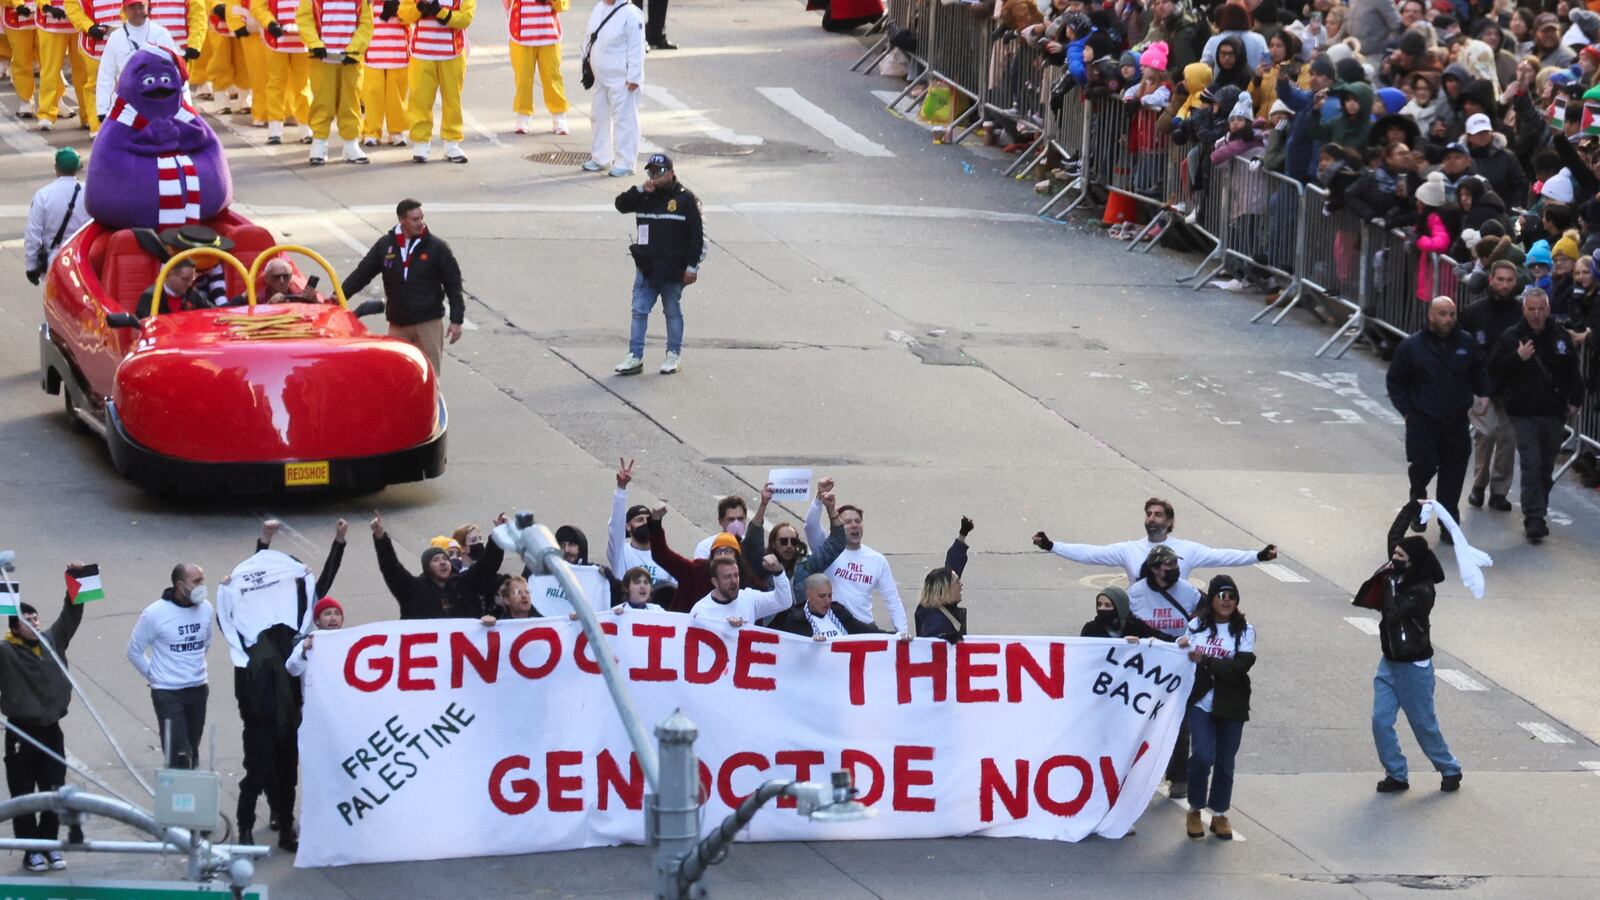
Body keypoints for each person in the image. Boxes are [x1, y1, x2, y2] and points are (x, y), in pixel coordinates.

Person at [1354, 499, 1461, 794]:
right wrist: (1412, 507)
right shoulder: (1400, 570)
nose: (1393, 558)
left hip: (1413, 668)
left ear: (1412, 562)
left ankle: (1450, 768)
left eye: (1399, 556)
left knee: (1423, 724)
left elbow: (1392, 614)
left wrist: (1389, 581)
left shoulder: (1422, 591)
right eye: (1394, 554)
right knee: (1380, 721)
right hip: (1389, 663)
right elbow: (1395, 535)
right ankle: (1397, 774)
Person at [0, 564, 88, 873]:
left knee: (55, 790)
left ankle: (49, 845)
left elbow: (71, 614)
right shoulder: (5, 652)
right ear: (14, 627)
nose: (35, 622)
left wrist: (76, 579)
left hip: (52, 730)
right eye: (27, 620)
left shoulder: (53, 639)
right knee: (23, 796)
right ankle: (31, 851)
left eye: (36, 617)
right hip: (21, 733)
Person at [1385, 297, 1490, 537]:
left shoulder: (1466, 343)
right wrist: (1407, 411)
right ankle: (1418, 504)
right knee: (1423, 467)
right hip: (1423, 421)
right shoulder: (1411, 347)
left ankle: (1448, 523)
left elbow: (1478, 371)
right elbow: (1395, 381)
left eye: (1452, 314)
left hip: (1456, 421)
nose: (1448, 319)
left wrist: (1484, 394)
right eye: (1443, 314)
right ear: (1431, 316)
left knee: (1453, 473)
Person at [1488, 289, 1585, 542]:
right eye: (1531, 309)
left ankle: (1538, 508)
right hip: (1523, 412)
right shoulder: (1511, 337)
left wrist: (1576, 400)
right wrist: (1517, 358)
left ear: (1548, 309)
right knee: (1530, 462)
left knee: (1545, 466)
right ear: (1524, 309)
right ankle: (1534, 517)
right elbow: (1494, 369)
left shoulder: (1560, 336)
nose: (1536, 314)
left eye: (1541, 309)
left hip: (1553, 412)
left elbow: (1572, 369)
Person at [341, 199, 465, 377]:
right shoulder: (386, 245)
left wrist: (456, 320)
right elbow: (362, 274)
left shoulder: (437, 247)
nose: (421, 223)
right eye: (415, 219)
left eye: (422, 217)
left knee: (429, 375)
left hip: (428, 323)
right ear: (402, 220)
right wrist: (338, 296)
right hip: (398, 324)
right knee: (396, 375)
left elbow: (453, 284)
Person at [1032, 497, 1276, 584]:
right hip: (1139, 627)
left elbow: (1223, 556)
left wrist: (1259, 556)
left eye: (1158, 515)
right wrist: (1052, 546)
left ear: (1169, 522)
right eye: (1148, 514)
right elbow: (1090, 554)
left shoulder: (1187, 549)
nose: (1151, 518)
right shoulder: (1130, 549)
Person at [612, 153, 704, 375]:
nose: (655, 176)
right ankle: (635, 356)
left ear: (671, 173)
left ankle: (673, 354)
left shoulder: (685, 199)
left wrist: (692, 267)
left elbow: (696, 237)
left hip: (673, 268)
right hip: (647, 266)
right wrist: (640, 190)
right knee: (639, 310)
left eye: (660, 171)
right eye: (651, 171)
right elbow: (621, 205)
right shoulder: (644, 195)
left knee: (671, 310)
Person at [1183, 574, 1255, 841]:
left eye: (1232, 597)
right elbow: (1183, 657)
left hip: (1231, 703)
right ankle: (1194, 809)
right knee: (1202, 755)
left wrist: (1206, 661)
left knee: (1225, 761)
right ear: (1211, 598)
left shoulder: (1245, 630)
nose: (1227, 601)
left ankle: (1219, 812)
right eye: (1221, 596)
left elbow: (1239, 667)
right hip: (1201, 702)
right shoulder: (1195, 626)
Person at [1127, 545, 1202, 797]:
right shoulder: (1136, 594)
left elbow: (1204, 617)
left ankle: (1179, 777)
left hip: (1178, 667)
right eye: (1169, 565)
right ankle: (1134, 776)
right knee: (1141, 720)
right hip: (1145, 670)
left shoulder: (1188, 591)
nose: (1174, 569)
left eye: (1175, 564)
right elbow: (1126, 626)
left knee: (1179, 721)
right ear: (1155, 569)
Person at [126, 562, 213, 769]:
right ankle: (177, 786)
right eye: (196, 582)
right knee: (178, 754)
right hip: (168, 692)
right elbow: (134, 651)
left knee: (192, 749)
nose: (201, 586)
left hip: (198, 688)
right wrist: (154, 676)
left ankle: (190, 785)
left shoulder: (206, 608)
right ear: (180, 585)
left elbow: (205, 643)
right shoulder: (154, 614)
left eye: (202, 581)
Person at [1460, 261, 1524, 511]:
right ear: (1491, 280)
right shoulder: (1473, 313)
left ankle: (1499, 491)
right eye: (1501, 279)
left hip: (1512, 386)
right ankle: (1478, 485)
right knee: (1484, 436)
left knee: (1508, 439)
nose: (1505, 285)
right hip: (1482, 384)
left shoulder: (1521, 313)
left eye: (1509, 280)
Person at [371, 509, 507, 618]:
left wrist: (499, 533)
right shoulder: (414, 590)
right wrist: (381, 538)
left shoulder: (465, 584)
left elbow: (488, 565)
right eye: (436, 560)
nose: (442, 562)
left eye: (445, 559)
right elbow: (391, 569)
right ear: (427, 568)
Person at [298, 0, 373, 165]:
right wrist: (314, 43)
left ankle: (351, 144)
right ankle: (319, 142)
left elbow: (366, 23)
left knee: (351, 102)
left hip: (350, 59)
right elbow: (304, 19)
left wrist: (356, 49)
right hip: (323, 58)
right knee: (322, 102)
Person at [400, 0, 474, 163]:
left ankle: (452, 143)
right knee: (419, 99)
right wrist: (419, 8)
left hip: (452, 53)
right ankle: (421, 142)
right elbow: (403, 13)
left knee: (452, 100)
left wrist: (441, 12)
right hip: (422, 52)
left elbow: (466, 18)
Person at [824, 504, 908, 638]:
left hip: (864, 628)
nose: (854, 525)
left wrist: (902, 633)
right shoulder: (827, 553)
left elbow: (892, 599)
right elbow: (811, 528)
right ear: (837, 526)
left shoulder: (877, 560)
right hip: (833, 626)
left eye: (858, 521)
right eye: (847, 522)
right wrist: (819, 502)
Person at [580, 0, 643, 177]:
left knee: (625, 120)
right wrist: (585, 65)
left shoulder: (632, 14)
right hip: (601, 78)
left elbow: (637, 48)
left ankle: (626, 162)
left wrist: (634, 77)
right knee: (598, 117)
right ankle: (600, 157)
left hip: (622, 80)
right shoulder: (599, 8)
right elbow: (589, 38)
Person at [92, 0, 176, 120]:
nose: (137, 12)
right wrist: (102, 109)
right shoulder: (116, 38)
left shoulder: (161, 34)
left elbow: (176, 72)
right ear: (124, 10)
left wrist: (184, 105)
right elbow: (106, 75)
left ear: (148, 7)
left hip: (158, 105)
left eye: (141, 7)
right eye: (132, 7)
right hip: (126, 109)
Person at [607, 458, 678, 599]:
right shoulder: (621, 552)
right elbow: (615, 526)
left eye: (648, 519)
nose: (645, 523)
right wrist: (621, 488)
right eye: (639, 520)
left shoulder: (665, 556)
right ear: (628, 526)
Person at [23, 147, 89, 285]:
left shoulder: (43, 195)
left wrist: (31, 266)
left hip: (54, 261)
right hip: (83, 260)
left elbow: (33, 234)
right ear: (77, 168)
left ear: (56, 168)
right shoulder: (89, 193)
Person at [251, 0, 311, 145]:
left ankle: (306, 126)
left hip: (303, 40)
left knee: (303, 86)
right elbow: (258, 6)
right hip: (275, 40)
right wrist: (269, 22)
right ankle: (275, 129)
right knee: (275, 84)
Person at [507, 0, 568, 135]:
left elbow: (563, 4)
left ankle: (559, 115)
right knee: (523, 77)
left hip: (548, 33)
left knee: (552, 76)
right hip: (521, 32)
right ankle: (523, 114)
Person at [35, 0, 93, 132]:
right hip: (52, 19)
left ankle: (89, 115)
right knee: (50, 68)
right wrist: (46, 6)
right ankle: (46, 113)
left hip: (80, 19)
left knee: (84, 71)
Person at [687, 554, 791, 626]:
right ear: (715, 582)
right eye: (727, 577)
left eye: (736, 575)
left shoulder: (749, 598)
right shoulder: (701, 610)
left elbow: (784, 602)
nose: (734, 581)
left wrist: (778, 572)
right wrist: (726, 627)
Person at [914, 517, 973, 643]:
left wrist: (962, 536)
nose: (961, 584)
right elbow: (933, 644)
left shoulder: (936, 605)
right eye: (957, 583)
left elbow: (953, 566)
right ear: (944, 590)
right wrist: (948, 639)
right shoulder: (933, 620)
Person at [360, 0, 410, 147]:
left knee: (397, 94)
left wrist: (400, 10)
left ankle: (396, 130)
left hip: (398, 49)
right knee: (372, 93)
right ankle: (371, 131)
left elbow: (413, 14)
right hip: (373, 47)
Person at [770, 573, 879, 639]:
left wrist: (889, 635)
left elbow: (863, 630)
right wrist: (810, 645)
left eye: (830, 595)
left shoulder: (839, 612)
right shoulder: (794, 619)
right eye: (822, 596)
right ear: (809, 595)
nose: (827, 601)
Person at [1080, 586, 1168, 640]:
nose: (1101, 608)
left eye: (1108, 605)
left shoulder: (1138, 627)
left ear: (1120, 608)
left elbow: (1167, 641)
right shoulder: (1090, 629)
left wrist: (1149, 642)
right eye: (1099, 604)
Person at [285, 595, 344, 677]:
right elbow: (292, 670)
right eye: (327, 614)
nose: (333, 618)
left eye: (337, 614)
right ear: (317, 620)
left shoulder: (350, 642)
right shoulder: (308, 642)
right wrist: (304, 653)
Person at [4, 0, 40, 120]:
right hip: (15, 12)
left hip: (44, 11)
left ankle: (56, 100)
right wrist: (18, 4)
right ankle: (25, 100)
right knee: (21, 57)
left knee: (49, 59)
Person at [135, 257, 207, 316]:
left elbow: (209, 310)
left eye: (192, 279)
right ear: (171, 273)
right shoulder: (151, 297)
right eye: (185, 279)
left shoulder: (192, 293)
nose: (189, 284)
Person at [691, 495, 747, 559]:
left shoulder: (750, 545)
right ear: (721, 521)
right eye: (731, 519)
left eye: (740, 519)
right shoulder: (706, 547)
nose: (736, 524)